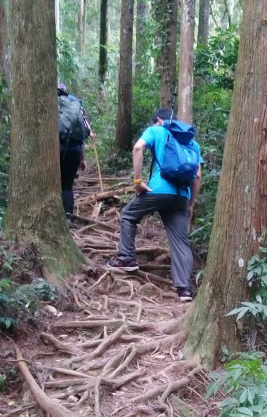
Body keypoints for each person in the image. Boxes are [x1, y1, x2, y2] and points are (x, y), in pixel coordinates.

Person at [108, 108, 202, 302]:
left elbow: (137, 148)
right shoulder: (190, 142)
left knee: (128, 214)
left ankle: (126, 258)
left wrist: (138, 181)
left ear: (159, 120)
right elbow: (197, 176)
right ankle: (184, 289)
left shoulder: (156, 131)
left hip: (158, 190)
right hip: (181, 196)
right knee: (180, 242)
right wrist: (191, 204)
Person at [58, 82, 92, 219]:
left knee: (58, 184)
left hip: (58, 149)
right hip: (75, 151)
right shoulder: (75, 104)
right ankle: (68, 215)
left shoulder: (52, 104)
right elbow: (83, 132)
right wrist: (82, 159)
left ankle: (59, 215)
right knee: (67, 185)